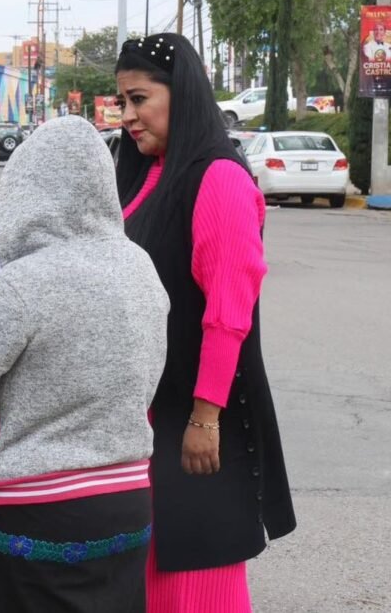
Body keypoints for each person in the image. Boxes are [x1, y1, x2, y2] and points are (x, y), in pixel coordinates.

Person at [0, 116, 170, 612]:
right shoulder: (141, 268)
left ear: (23, 193)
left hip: (34, 511)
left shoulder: (20, 284)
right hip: (127, 498)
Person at [113, 33, 296, 611]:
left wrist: (205, 417)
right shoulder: (148, 174)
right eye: (121, 103)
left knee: (194, 577)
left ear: (182, 94)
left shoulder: (217, 178)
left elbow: (228, 314)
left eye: (139, 99)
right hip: (147, 425)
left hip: (193, 424)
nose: (128, 116)